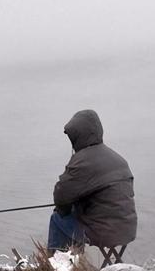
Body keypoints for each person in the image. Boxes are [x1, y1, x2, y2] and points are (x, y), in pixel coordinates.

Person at [48, 109, 137, 254]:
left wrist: (63, 210)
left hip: (103, 233)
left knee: (58, 218)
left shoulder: (82, 161)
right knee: (72, 213)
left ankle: (59, 267)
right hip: (127, 229)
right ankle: (75, 265)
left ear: (77, 135)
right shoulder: (118, 159)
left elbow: (61, 196)